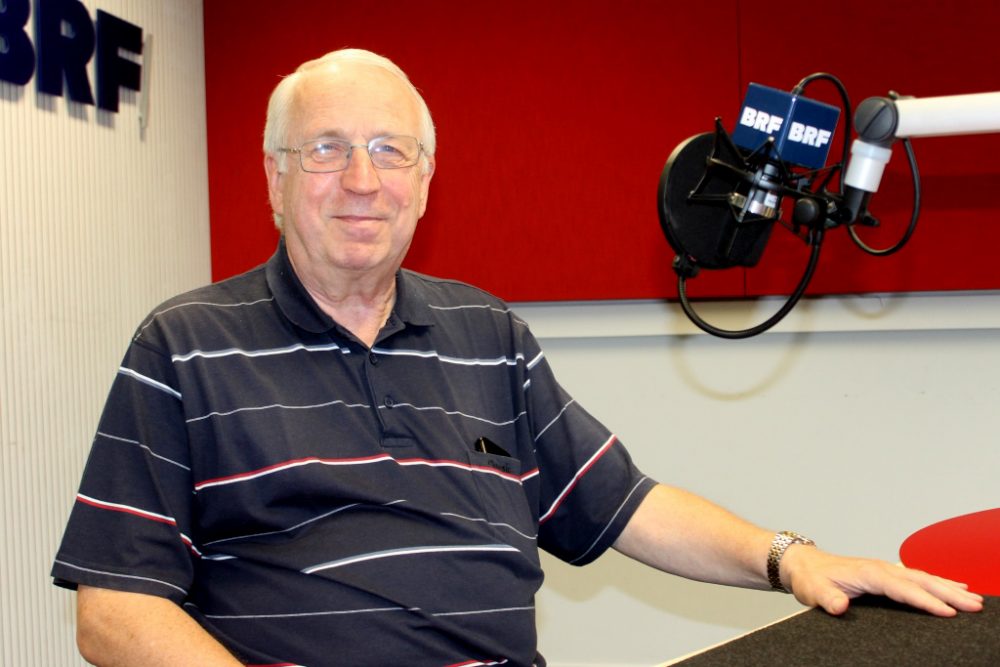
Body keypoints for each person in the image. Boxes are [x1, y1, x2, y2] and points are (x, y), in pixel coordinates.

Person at [52, 48, 982, 667]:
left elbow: (625, 502)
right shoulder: (182, 344)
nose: (362, 181)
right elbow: (114, 607)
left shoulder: (486, 335)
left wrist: (790, 556)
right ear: (273, 176)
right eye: (327, 150)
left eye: (390, 151)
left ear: (425, 180)